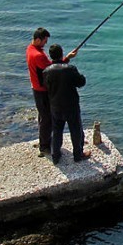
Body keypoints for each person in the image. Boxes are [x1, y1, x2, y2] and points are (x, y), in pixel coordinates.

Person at [26, 28, 77, 156]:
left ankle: (44, 141)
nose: (45, 44)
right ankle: (44, 146)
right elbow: (52, 69)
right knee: (47, 119)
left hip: (36, 88)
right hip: (42, 91)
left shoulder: (30, 49)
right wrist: (67, 59)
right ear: (38, 39)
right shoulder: (38, 55)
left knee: (43, 117)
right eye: (44, 41)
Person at [42, 43, 91, 164]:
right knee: (76, 130)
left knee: (57, 131)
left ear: (50, 56)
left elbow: (45, 86)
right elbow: (81, 82)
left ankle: (55, 156)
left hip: (55, 105)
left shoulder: (46, 71)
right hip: (71, 105)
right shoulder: (70, 69)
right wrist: (82, 76)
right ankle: (78, 155)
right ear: (61, 54)